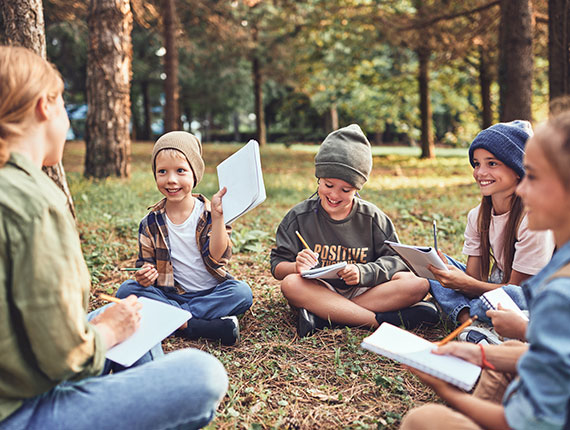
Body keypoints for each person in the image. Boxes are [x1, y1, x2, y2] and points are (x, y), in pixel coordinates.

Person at [0, 46, 227, 429]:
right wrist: (106, 331)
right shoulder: (31, 202)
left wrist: (108, 324)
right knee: (203, 375)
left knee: (136, 316)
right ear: (45, 106)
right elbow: (63, 358)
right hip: (20, 410)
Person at [399, 110, 570, 430]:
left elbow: (530, 423)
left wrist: (447, 391)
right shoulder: (482, 214)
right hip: (513, 327)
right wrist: (481, 356)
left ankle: (469, 325)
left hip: (531, 406)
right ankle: (476, 332)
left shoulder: (559, 293)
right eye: (477, 163)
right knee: (507, 341)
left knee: (422, 419)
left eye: (531, 176)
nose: (521, 188)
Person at [270, 124, 439, 338]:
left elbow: (397, 261)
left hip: (365, 290)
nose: (334, 195)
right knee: (291, 283)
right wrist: (297, 265)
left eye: (346, 190)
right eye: (328, 185)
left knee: (418, 284)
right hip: (318, 290)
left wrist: (363, 272)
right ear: (318, 179)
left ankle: (324, 318)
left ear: (358, 188)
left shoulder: (372, 218)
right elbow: (277, 267)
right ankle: (377, 322)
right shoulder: (298, 217)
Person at [416, 121, 554, 344]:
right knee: (434, 272)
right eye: (477, 164)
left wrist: (464, 284)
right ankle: (472, 321)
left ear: (517, 169)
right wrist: (450, 276)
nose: (480, 172)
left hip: (536, 293)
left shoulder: (533, 218)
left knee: (503, 298)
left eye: (492, 163)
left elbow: (518, 289)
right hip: (497, 284)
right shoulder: (478, 215)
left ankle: (470, 319)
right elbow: (474, 278)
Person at [116, 131, 253, 346]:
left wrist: (218, 218)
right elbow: (145, 267)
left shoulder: (211, 212)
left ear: (194, 174)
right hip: (170, 295)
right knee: (126, 290)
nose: (171, 180)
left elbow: (218, 257)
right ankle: (198, 326)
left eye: (180, 171)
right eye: (162, 171)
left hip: (210, 294)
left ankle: (173, 320)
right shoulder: (150, 222)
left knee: (242, 293)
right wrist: (144, 276)